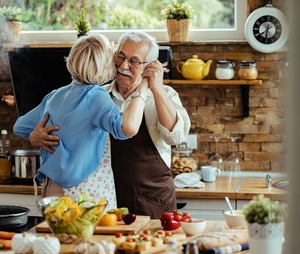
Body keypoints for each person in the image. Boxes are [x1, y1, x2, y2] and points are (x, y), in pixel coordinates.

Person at [29, 31, 191, 218]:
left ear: (148, 66)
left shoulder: (164, 94)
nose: (123, 66)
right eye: (120, 57)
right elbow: (63, 131)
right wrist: (34, 137)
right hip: (103, 197)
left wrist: (156, 88)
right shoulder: (96, 95)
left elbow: (175, 137)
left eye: (134, 61)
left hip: (151, 200)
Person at [13, 33, 147, 211]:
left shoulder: (54, 95)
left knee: (53, 239)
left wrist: (33, 137)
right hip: (84, 194)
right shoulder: (96, 96)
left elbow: (19, 126)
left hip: (51, 189)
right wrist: (143, 87)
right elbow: (126, 129)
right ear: (104, 65)